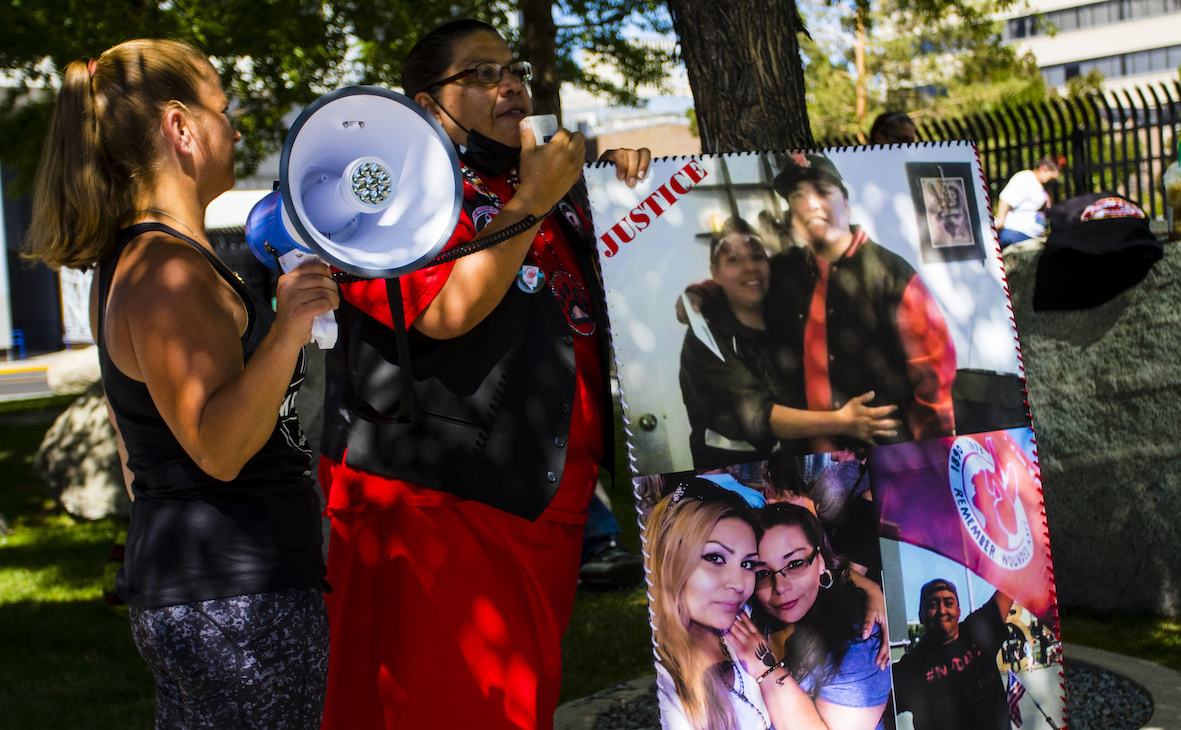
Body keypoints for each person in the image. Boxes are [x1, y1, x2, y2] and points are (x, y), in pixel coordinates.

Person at [317, 19, 650, 730]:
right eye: (481, 73)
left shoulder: (536, 187)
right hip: (441, 504)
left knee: (517, 707)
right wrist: (530, 202)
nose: (511, 85)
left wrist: (637, 197)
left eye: (515, 69)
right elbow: (442, 310)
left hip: (543, 496)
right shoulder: (382, 188)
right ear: (424, 101)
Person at [28, 39, 335, 727]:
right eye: (224, 110)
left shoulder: (141, 262)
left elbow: (137, 459)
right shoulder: (167, 272)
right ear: (180, 127)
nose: (235, 128)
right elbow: (219, 448)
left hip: (207, 592)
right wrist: (288, 328)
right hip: (239, 602)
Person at [765, 152, 956, 453]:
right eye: (797, 195)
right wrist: (702, 294)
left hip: (882, 454)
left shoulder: (893, 275)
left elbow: (932, 379)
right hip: (803, 456)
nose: (810, 203)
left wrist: (933, 454)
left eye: (823, 191)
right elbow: (743, 281)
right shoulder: (785, 269)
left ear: (846, 203)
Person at [678, 219, 900, 469]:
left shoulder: (787, 314)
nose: (750, 267)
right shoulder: (704, 339)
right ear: (715, 273)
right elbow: (758, 415)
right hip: (736, 473)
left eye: (757, 257)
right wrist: (841, 421)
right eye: (734, 260)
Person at [728, 503, 892, 730]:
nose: (780, 587)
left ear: (821, 560)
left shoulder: (859, 637)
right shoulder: (750, 609)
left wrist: (765, 670)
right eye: (763, 573)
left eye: (795, 564)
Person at [646, 478, 769, 730]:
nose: (738, 583)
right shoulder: (661, 682)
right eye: (715, 557)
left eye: (748, 564)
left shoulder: (742, 622)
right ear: (669, 559)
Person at [892, 580, 1016, 730]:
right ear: (921, 615)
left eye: (948, 603)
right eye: (932, 605)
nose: (942, 611)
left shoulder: (978, 632)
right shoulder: (911, 666)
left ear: (959, 610)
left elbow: (1012, 581)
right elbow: (876, 706)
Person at [994, 156, 1061, 248]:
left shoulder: (1038, 184)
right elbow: (1006, 198)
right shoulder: (1026, 177)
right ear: (1043, 169)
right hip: (1016, 231)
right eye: (1051, 178)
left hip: (1029, 233)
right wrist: (1001, 221)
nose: (1051, 182)